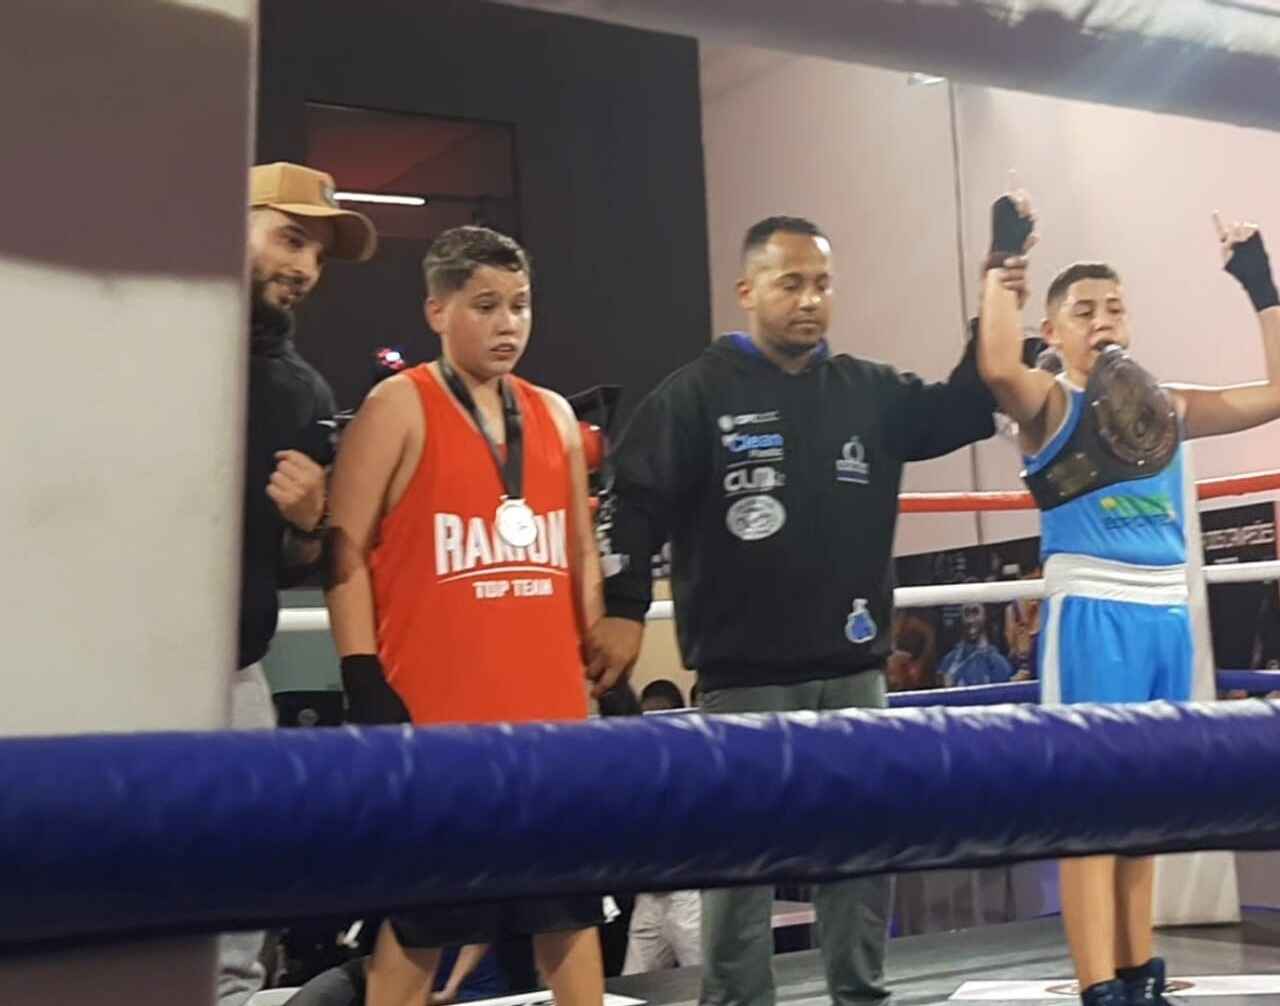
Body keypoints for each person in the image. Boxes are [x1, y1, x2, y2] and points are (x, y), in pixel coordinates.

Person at [586, 216, 1020, 1006]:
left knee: (863, 851)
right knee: (740, 865)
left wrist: (994, 283)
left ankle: (861, 997)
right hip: (743, 676)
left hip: (853, 669)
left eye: (821, 284)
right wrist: (620, 607)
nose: (810, 301)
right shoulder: (696, 395)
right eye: (791, 283)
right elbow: (632, 500)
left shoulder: (868, 391)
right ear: (749, 290)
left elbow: (964, 404)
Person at [977, 188, 1280, 1006]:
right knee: (1089, 815)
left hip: (1167, 615)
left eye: (1115, 306)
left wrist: (1261, 285)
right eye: (1084, 309)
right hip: (1094, 615)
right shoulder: (1050, 404)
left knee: (1145, 813)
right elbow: (997, 366)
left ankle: (1138, 969)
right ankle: (1096, 984)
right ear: (1056, 330)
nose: (1104, 320)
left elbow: (1279, 393)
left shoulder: (1167, 406)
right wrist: (1004, 262)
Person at [325, 225, 605, 1006]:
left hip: (551, 721)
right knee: (424, 923)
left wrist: (599, 663)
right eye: (486, 305)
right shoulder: (398, 405)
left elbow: (578, 551)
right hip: (440, 723)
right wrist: (361, 677)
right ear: (437, 310)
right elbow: (340, 547)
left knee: (572, 915)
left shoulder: (552, 416)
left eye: (520, 304)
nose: (509, 322)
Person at [226, 162, 377, 1006]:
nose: (305, 268)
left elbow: (293, 568)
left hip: (231, 672)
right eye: (289, 238)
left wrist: (307, 523)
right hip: (100, 676)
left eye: (316, 253)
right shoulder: (139, 348)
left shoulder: (303, 392)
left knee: (240, 882)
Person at [937, 603, 1013, 687]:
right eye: (967, 613)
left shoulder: (999, 664)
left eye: (975, 612)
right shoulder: (948, 661)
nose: (971, 620)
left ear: (985, 615)